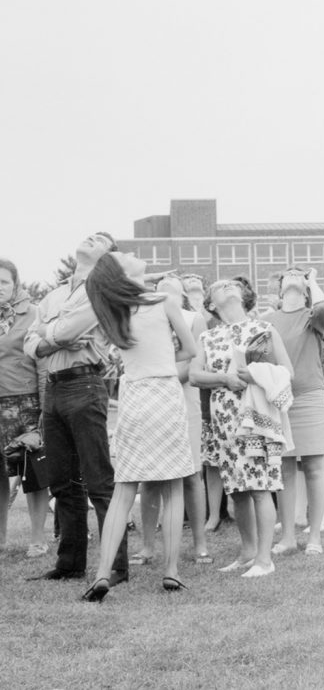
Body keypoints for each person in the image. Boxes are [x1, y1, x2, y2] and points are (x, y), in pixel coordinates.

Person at [74, 252, 197, 601]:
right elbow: (190, 350)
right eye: (124, 256)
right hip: (164, 392)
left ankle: (101, 574)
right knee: (173, 486)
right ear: (123, 273)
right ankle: (171, 571)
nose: (131, 254)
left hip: (134, 396)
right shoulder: (164, 301)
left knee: (124, 489)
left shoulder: (110, 309)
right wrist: (163, 364)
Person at [24, 232, 129, 584]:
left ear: (106, 258)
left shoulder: (98, 291)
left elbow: (68, 330)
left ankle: (116, 566)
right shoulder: (54, 293)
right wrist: (50, 338)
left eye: (100, 239)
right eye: (91, 233)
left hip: (85, 385)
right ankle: (69, 564)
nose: (91, 237)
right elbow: (30, 341)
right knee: (62, 482)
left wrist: (46, 334)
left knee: (98, 479)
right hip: (53, 389)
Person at [190, 280, 292, 577]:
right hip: (223, 417)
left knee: (260, 485)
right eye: (219, 287)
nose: (226, 286)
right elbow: (195, 376)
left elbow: (288, 372)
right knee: (237, 489)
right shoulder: (208, 337)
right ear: (211, 304)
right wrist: (224, 379)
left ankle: (264, 559)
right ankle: (247, 552)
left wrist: (256, 373)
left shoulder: (264, 329)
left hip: (255, 414)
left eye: (232, 285)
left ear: (244, 296)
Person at [131, 275, 212, 567]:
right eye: (160, 290)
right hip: (151, 404)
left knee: (191, 475)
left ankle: (200, 543)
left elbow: (193, 364)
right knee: (150, 476)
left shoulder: (193, 319)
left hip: (183, 401)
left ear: (181, 297)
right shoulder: (143, 317)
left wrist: (159, 377)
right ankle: (148, 545)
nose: (165, 295)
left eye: (172, 291)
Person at [265, 267, 324, 555]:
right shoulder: (267, 321)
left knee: (315, 466)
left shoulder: (312, 317)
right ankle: (288, 536)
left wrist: (313, 281)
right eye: (288, 274)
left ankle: (315, 534)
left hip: (310, 396)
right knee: (285, 468)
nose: (294, 274)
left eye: (299, 274)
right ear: (280, 289)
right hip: (279, 399)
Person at [0, 258, 49, 557]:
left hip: (26, 404)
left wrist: (44, 411)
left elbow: (43, 366)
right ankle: (1, 540)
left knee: (33, 474)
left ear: (15, 285)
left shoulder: (33, 315)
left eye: (3, 283)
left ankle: (37, 539)